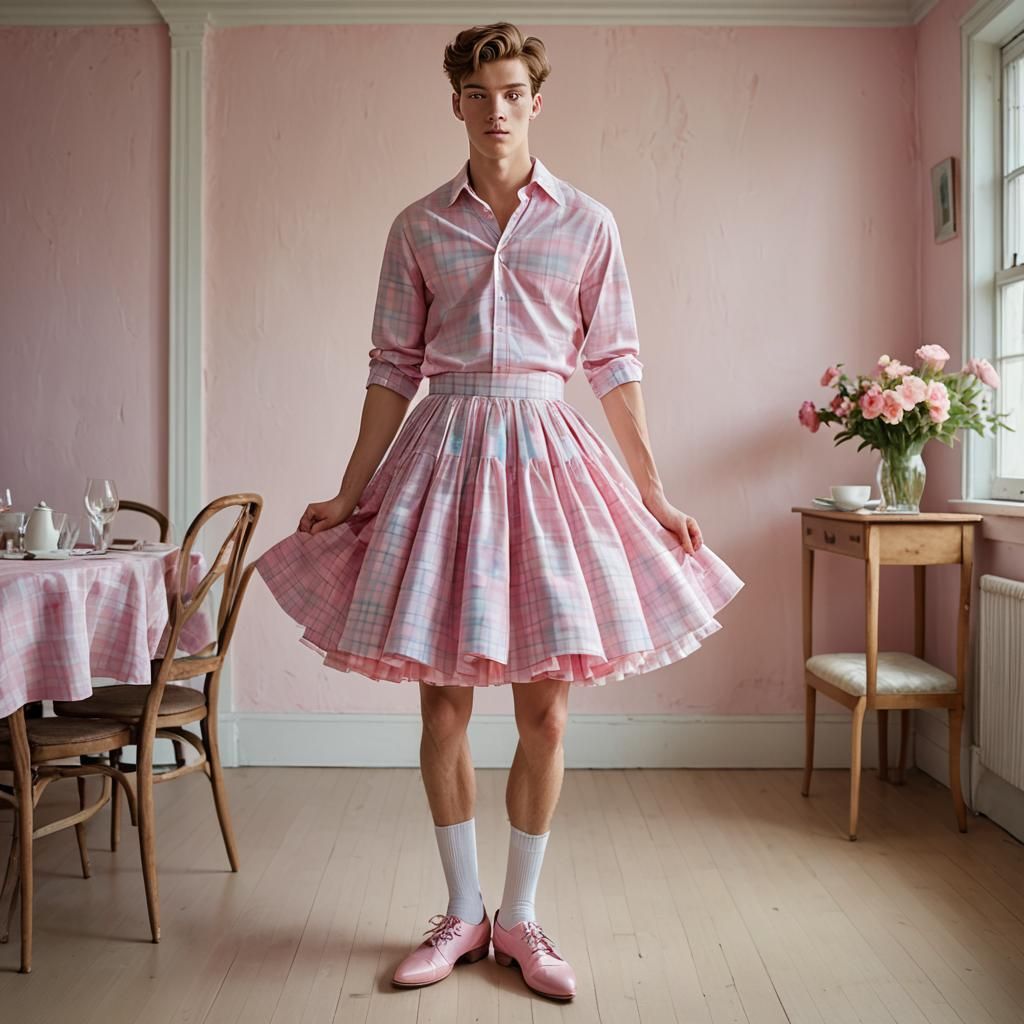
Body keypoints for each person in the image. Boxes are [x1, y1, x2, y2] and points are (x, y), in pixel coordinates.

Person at [254, 21, 744, 1002]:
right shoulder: (418, 227)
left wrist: (651, 490)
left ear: (535, 99)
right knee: (441, 697)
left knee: (547, 706)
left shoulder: (588, 223)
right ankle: (461, 908)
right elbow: (392, 369)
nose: (495, 109)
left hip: (547, 458)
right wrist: (351, 488)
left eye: (512, 90)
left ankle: (519, 916)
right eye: (477, 94)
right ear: (456, 104)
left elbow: (614, 366)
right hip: (442, 459)